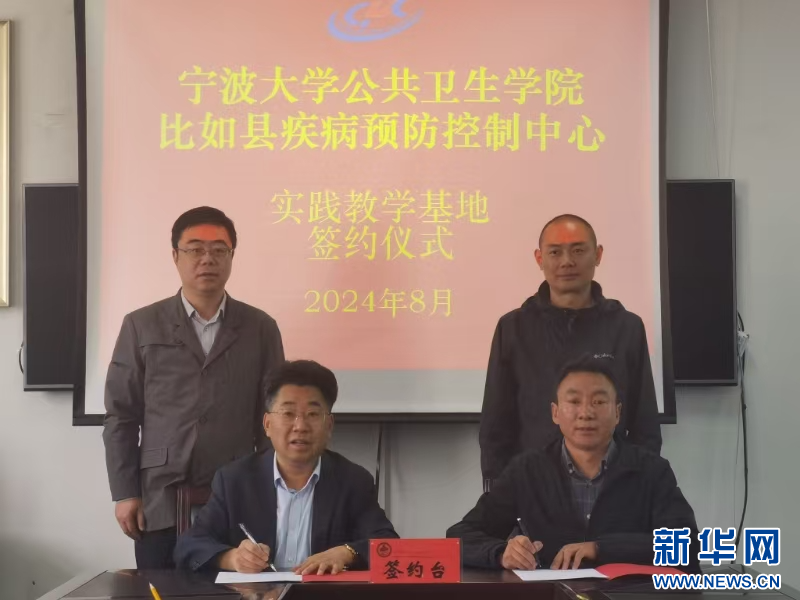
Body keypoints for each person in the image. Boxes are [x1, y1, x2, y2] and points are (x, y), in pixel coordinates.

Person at [103, 206, 285, 569]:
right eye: (195, 249)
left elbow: (272, 417)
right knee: (161, 588)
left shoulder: (260, 327)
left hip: (236, 493)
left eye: (219, 250)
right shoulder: (141, 325)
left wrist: (271, 492)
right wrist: (125, 493)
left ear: (232, 256)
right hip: (159, 496)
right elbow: (121, 415)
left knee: (235, 588)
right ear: (176, 255)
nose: (207, 259)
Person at [449, 356, 698, 572]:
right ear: (555, 413)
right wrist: (501, 553)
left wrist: (601, 549)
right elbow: (459, 536)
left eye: (598, 402)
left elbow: (687, 545)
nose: (585, 413)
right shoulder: (526, 471)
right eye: (574, 402)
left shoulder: (651, 470)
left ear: (618, 413)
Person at [480, 214, 662, 486]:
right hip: (532, 485)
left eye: (578, 250)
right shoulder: (513, 328)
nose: (567, 261)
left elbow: (644, 421)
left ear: (598, 255)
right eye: (555, 252)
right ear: (539, 259)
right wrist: (500, 492)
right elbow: (495, 425)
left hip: (610, 483)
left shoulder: (626, 327)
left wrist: (641, 487)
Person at [174, 360, 399, 574]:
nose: (300, 426)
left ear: (329, 425)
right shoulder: (235, 480)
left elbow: (387, 544)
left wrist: (346, 552)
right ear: (267, 424)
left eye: (312, 414)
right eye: (288, 414)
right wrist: (232, 558)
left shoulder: (353, 481)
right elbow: (189, 545)